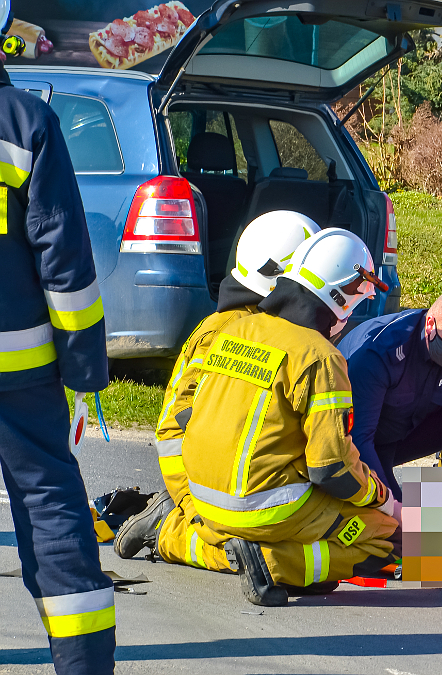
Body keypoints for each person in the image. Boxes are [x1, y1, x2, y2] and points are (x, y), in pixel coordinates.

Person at [178, 228, 398, 606]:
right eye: (356, 298)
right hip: (260, 505)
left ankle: (220, 545)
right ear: (340, 294)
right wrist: (382, 497)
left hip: (202, 497)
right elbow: (332, 469)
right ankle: (272, 561)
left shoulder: (237, 328)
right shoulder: (321, 356)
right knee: (383, 537)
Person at [0, 8, 116, 671]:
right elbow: (66, 268)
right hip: (22, 374)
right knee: (50, 508)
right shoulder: (26, 122)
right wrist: (84, 371)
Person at [114, 211, 320, 571]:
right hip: (195, 461)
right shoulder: (229, 328)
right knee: (246, 553)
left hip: (229, 460)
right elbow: (184, 417)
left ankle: (441, 552)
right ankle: (169, 527)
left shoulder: (264, 323)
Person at [337, 288, 442, 499]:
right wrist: (391, 505)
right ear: (430, 324)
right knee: (397, 524)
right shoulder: (379, 352)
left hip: (406, 433)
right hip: (359, 444)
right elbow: (357, 439)